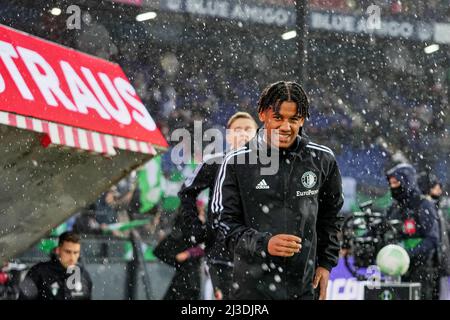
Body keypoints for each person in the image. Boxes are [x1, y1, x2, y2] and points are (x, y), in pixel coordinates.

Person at [212, 81, 344, 300]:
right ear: (263, 114)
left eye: (293, 119)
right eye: (278, 118)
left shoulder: (322, 160)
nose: (286, 127)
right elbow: (223, 224)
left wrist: (326, 264)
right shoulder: (236, 162)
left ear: (302, 119)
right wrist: (264, 243)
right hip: (251, 290)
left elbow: (330, 218)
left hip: (303, 288)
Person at [178, 112, 258, 300]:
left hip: (257, 256)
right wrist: (196, 227)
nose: (243, 134)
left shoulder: (269, 167)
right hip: (220, 256)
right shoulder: (214, 162)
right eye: (237, 130)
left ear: (257, 135)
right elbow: (186, 193)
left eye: (248, 129)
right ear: (229, 136)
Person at [386, 164, 440, 299]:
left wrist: (408, 254)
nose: (393, 187)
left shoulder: (423, 205)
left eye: (396, 182)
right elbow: (381, 228)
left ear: (407, 182)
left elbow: (432, 239)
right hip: (397, 271)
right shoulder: (395, 208)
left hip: (422, 272)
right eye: (391, 183)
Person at [19, 232, 92, 300]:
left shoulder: (83, 275)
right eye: (68, 252)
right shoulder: (39, 272)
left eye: (76, 252)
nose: (72, 258)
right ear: (58, 250)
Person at [417, 172, 450, 299]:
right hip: (434, 264)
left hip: (439, 264)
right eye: (436, 187)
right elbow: (435, 238)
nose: (440, 190)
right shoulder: (427, 206)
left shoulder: (436, 208)